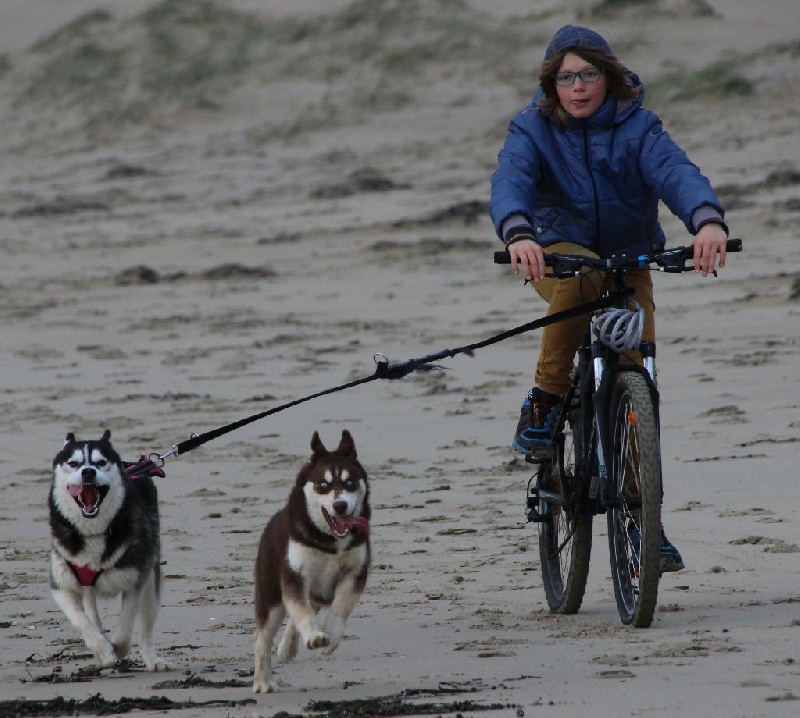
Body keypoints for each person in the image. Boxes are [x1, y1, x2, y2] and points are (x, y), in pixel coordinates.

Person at [488, 25, 730, 572]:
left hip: (628, 259)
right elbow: (510, 181)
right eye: (566, 78)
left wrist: (707, 221)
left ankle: (645, 520)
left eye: (589, 74)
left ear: (609, 76)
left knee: (638, 374)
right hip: (558, 256)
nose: (578, 87)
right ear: (552, 84)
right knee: (580, 283)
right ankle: (546, 399)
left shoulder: (639, 126)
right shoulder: (532, 128)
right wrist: (519, 232)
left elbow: (676, 173)